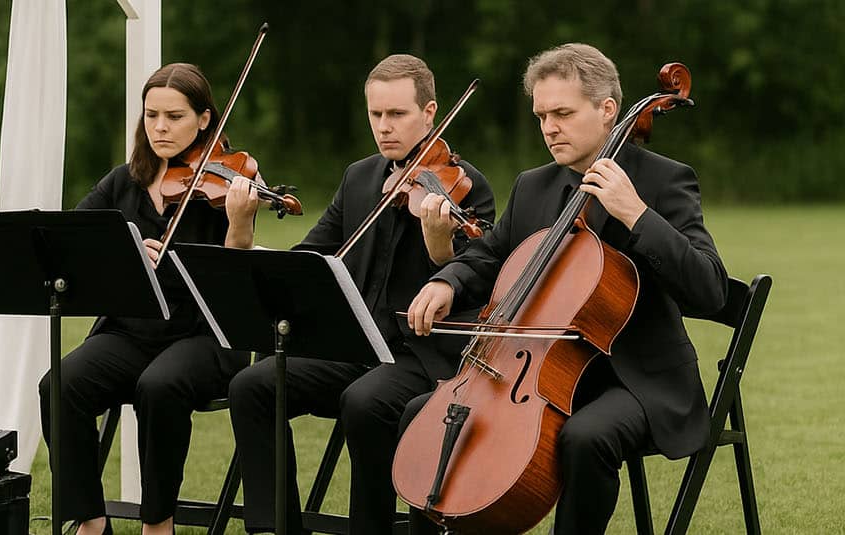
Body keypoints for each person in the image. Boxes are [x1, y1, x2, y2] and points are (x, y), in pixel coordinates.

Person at [402, 43, 727, 534]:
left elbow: (710, 290)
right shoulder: (534, 185)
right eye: (541, 115)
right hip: (539, 375)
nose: (549, 127)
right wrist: (448, 281)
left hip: (636, 377)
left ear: (607, 110)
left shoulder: (664, 180)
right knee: (423, 413)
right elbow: (490, 256)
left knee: (584, 437)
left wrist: (635, 213)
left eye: (562, 113)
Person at [224, 54, 495, 534]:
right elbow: (311, 257)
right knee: (253, 386)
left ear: (430, 113)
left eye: (397, 114)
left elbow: (480, 277)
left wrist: (438, 247)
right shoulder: (360, 178)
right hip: (354, 345)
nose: (384, 127)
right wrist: (248, 239)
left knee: (365, 401)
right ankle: (275, 527)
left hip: (420, 355)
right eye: (376, 115)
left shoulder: (468, 186)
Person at [38, 62, 258, 535]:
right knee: (59, 384)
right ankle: (91, 520)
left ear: (204, 119)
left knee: (159, 386)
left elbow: (236, 282)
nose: (160, 127)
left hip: (207, 336)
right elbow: (72, 240)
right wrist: (125, 250)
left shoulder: (226, 185)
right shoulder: (123, 182)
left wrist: (240, 225)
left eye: (174, 116)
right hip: (131, 329)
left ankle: (159, 521)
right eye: (151, 115)